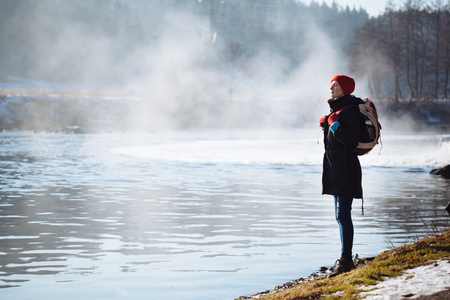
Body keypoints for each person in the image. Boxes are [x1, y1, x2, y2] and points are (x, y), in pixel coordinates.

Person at [319, 75, 364, 277]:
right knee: (340, 216)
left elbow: (352, 142)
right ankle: (344, 257)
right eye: (331, 85)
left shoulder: (350, 111)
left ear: (345, 89)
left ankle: (346, 260)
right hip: (337, 170)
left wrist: (334, 124)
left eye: (336, 85)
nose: (332, 88)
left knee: (343, 215)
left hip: (346, 171)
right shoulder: (338, 110)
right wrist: (327, 126)